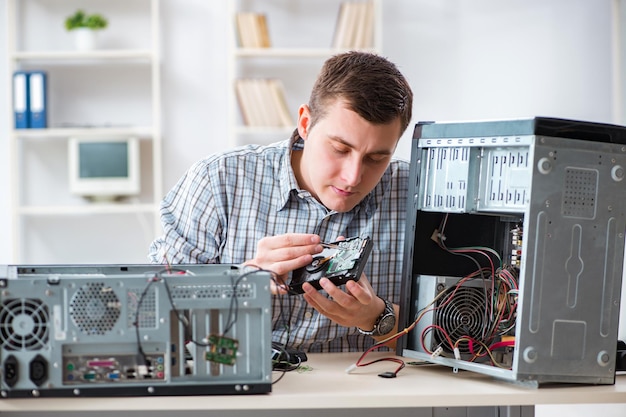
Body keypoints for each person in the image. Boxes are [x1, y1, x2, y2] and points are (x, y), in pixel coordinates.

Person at [149, 51, 413, 353]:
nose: (353, 177)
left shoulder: (413, 192)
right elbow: (155, 311)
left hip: (368, 391)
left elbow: (460, 333)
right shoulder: (217, 180)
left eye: (376, 158)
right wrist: (239, 283)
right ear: (305, 122)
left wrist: (378, 317)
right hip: (244, 391)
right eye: (340, 149)